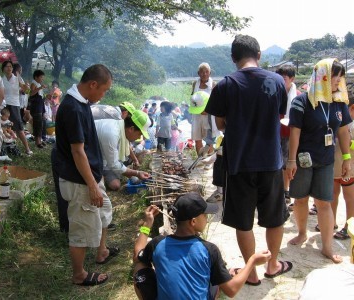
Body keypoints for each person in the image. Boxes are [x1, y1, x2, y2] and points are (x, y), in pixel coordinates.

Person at [205, 35, 292, 284]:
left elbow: (220, 123)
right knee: (275, 218)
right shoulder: (277, 81)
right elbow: (278, 116)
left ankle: (251, 273)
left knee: (243, 221)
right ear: (260, 55)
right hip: (271, 161)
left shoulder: (225, 85)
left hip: (240, 163)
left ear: (233, 58)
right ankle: (273, 265)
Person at [133, 192, 272, 300]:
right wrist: (252, 261)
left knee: (140, 265)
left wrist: (147, 224)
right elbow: (231, 290)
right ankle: (226, 274)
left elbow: (137, 256)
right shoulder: (208, 249)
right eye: (204, 215)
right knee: (216, 279)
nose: (207, 218)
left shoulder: (158, 243)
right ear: (193, 221)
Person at [54, 64, 116, 286]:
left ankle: (101, 252)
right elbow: (77, 151)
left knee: (103, 211)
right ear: (93, 84)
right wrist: (91, 185)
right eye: (104, 90)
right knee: (81, 226)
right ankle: (79, 275)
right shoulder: (73, 108)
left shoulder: (82, 103)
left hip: (90, 176)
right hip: (79, 180)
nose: (103, 94)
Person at [286, 58, 351, 264]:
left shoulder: (338, 102)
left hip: (326, 160)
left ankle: (327, 247)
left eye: (340, 77)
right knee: (301, 199)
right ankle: (302, 232)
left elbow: (343, 131)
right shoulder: (302, 101)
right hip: (304, 160)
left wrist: (347, 158)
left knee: (324, 202)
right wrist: (290, 160)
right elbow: (294, 133)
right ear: (322, 76)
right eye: (335, 76)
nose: (338, 81)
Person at [94, 109, 151, 191]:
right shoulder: (112, 133)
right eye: (140, 134)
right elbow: (114, 164)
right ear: (131, 129)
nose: (139, 138)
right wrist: (137, 173)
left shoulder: (119, 128)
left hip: (100, 159)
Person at [276, 65, 301, 205]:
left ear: (292, 79)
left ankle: (286, 191)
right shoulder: (275, 93)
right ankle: (280, 190)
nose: (281, 80)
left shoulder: (298, 96)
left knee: (288, 164)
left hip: (291, 135)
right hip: (276, 133)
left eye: (284, 78)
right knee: (277, 164)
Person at [330, 96, 354, 240]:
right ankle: (331, 222)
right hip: (334, 165)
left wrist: (348, 142)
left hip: (349, 167)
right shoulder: (340, 121)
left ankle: (348, 227)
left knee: (349, 197)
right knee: (332, 195)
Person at [1, 60, 33, 156]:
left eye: (10, 66)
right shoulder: (1, 79)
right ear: (3, 69)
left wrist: (26, 87)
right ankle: (3, 148)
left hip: (14, 105)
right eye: (7, 66)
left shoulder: (17, 79)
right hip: (3, 105)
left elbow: (26, 91)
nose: (9, 68)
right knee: (3, 127)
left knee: (19, 128)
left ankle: (27, 149)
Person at [190, 63, 218, 156]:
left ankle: (208, 162)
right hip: (197, 115)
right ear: (198, 73)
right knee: (197, 138)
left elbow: (216, 101)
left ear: (210, 73)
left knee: (209, 139)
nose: (204, 74)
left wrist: (208, 110)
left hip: (208, 116)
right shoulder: (195, 84)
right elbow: (193, 98)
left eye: (206, 72)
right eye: (202, 72)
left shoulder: (213, 84)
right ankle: (200, 160)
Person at [28, 70, 46, 149]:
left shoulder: (38, 84)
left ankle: (39, 140)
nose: (42, 79)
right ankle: (38, 142)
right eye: (41, 77)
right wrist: (40, 88)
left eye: (42, 77)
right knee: (38, 124)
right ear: (36, 77)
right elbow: (31, 93)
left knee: (40, 124)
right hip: (36, 107)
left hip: (40, 106)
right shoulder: (33, 84)